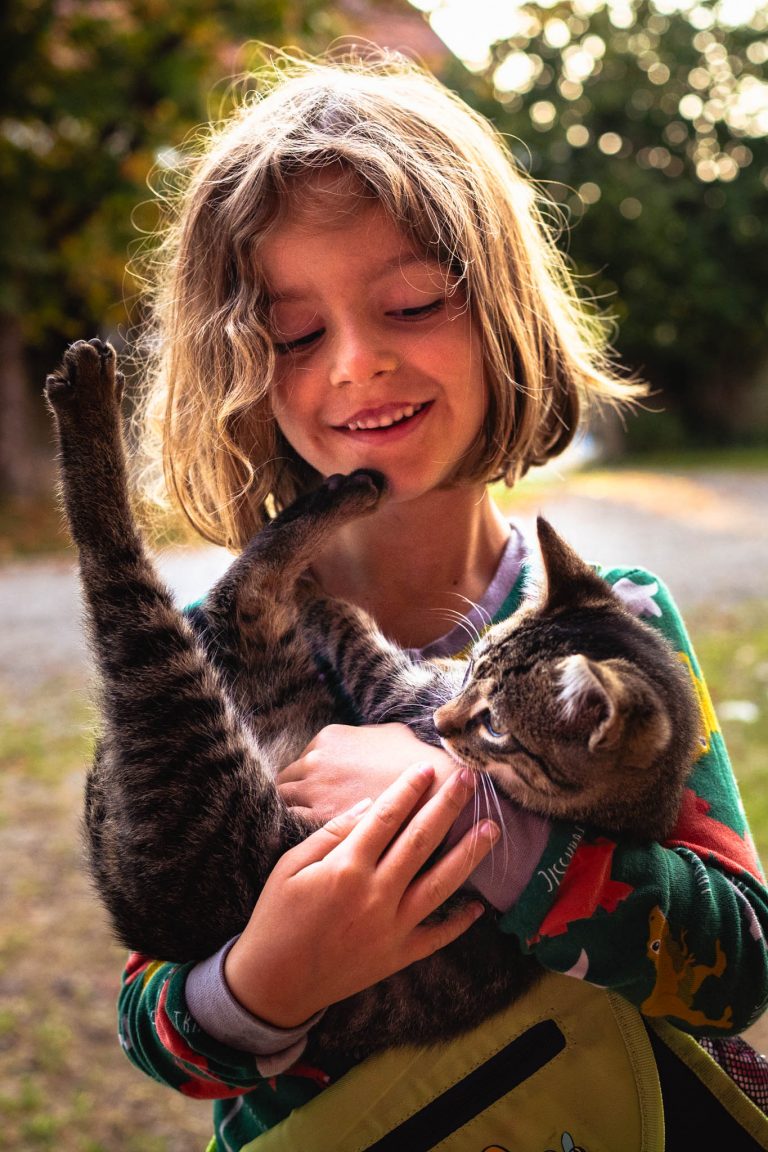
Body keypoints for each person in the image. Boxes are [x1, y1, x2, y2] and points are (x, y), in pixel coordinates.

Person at [118, 50, 768, 1150]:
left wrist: (481, 820)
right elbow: (155, 1017)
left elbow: (734, 967)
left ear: (501, 312)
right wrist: (267, 975)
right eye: (294, 333)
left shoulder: (614, 634)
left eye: (413, 301)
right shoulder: (205, 661)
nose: (358, 364)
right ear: (237, 366)